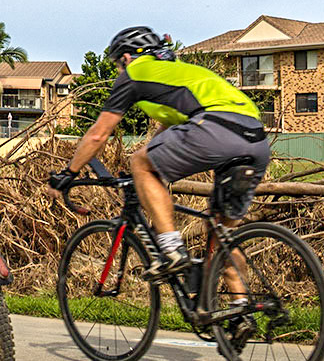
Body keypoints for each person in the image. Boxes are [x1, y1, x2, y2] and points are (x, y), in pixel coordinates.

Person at [51, 25, 269, 277]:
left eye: (117, 65)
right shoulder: (180, 73)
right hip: (256, 137)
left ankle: (171, 250)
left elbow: (99, 133)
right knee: (222, 238)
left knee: (140, 162)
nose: (119, 71)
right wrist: (150, 159)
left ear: (126, 57)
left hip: (215, 129)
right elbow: (165, 134)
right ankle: (240, 307)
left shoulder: (134, 72)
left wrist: (68, 173)